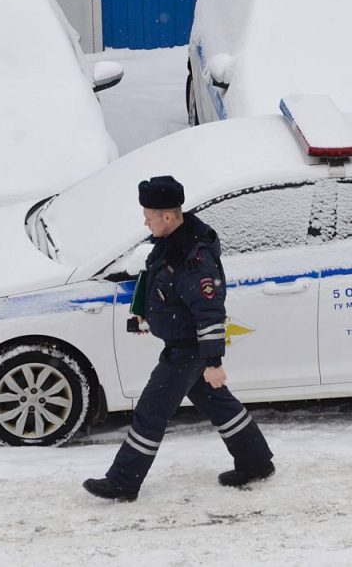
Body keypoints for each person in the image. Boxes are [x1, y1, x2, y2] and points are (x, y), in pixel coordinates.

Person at [83, 175, 275, 501]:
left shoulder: (193, 258)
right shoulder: (173, 243)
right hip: (185, 346)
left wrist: (214, 361)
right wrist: (145, 309)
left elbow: (210, 312)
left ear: (168, 216)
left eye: (149, 216)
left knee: (150, 411)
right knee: (220, 406)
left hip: (188, 350)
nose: (145, 222)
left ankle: (123, 482)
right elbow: (158, 278)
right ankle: (255, 462)